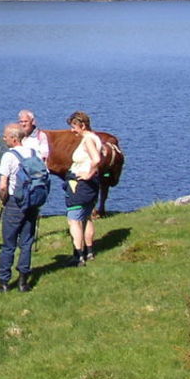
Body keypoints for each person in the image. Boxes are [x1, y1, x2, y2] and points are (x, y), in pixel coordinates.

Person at [0, 122, 46, 292]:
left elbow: (3, 185)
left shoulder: (9, 156)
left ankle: (4, 282)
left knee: (8, 244)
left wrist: (3, 200)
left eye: (6, 136)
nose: (4, 138)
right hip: (32, 203)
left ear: (14, 138)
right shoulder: (34, 152)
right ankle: (23, 282)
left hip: (14, 203)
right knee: (26, 242)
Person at [64, 111, 104, 265]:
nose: (72, 131)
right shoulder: (95, 137)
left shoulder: (87, 140)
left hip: (81, 185)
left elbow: (96, 159)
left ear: (83, 125)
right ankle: (90, 252)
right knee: (86, 217)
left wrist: (87, 174)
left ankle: (78, 256)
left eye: (74, 127)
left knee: (73, 220)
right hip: (92, 185)